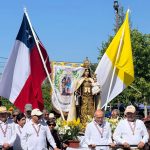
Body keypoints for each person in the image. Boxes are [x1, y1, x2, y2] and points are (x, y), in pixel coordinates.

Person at [74, 57, 98, 125]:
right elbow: (77, 88)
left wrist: (96, 88)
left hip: (90, 99)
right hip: (83, 98)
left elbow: (96, 89)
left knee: (91, 111)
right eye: (85, 70)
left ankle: (91, 123)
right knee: (83, 111)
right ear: (83, 71)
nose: (87, 72)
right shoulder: (80, 80)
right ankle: (83, 124)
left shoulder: (91, 79)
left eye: (88, 71)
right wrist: (77, 92)